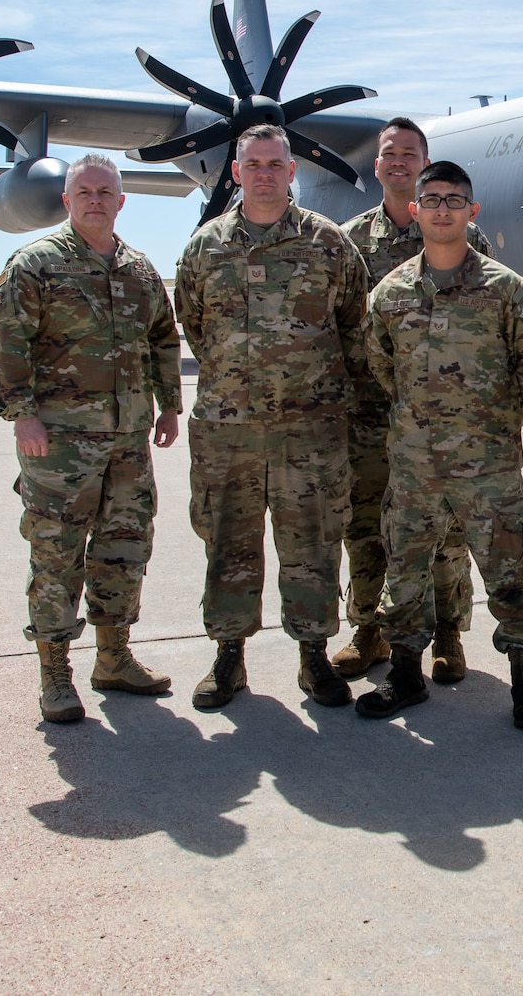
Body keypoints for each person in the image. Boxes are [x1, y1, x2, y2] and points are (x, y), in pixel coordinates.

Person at [0, 154, 182, 724]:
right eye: (84, 191)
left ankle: (113, 658)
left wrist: (169, 407)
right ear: (67, 201)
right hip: (59, 442)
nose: (96, 199)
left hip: (128, 440)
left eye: (105, 191)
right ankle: (55, 673)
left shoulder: (139, 270)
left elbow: (163, 340)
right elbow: (3, 341)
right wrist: (21, 414)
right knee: (56, 553)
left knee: (125, 548)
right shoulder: (36, 265)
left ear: (121, 201)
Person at [173, 124, 370, 711]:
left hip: (311, 431)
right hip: (227, 431)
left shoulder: (331, 244)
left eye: (274, 164)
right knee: (227, 541)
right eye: (252, 163)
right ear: (236, 172)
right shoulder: (204, 247)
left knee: (312, 543)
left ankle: (313, 657)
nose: (263, 173)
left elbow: (354, 329)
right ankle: (229, 656)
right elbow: (194, 324)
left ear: (291, 172)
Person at [355, 161, 523, 728]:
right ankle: (404, 677)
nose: (443, 209)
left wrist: (488, 426)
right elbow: (382, 367)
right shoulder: (388, 295)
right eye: (432, 199)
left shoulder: (510, 293)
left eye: (455, 199)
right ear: (414, 210)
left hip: (488, 469)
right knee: (405, 575)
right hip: (414, 469)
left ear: (473, 211)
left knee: (511, 574)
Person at [333, 117, 489, 684]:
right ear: (376, 165)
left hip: (441, 421)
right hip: (372, 415)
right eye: (389, 154)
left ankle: (448, 633)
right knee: (368, 524)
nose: (398, 162)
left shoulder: (461, 234)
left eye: (410, 154)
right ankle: (371, 628)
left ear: (424, 164)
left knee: (447, 527)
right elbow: (343, 325)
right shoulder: (350, 242)